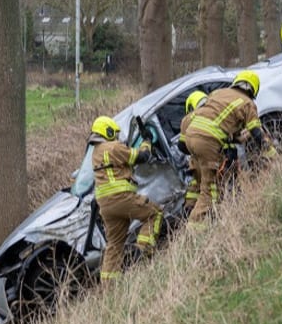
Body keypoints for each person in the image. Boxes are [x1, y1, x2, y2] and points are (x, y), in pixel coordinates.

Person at [181, 71, 274, 224]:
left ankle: (210, 220)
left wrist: (234, 137)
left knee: (203, 185)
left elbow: (218, 121)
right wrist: (271, 154)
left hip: (191, 137)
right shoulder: (247, 103)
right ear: (253, 89)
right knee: (210, 192)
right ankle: (194, 231)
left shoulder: (218, 93)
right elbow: (257, 133)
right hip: (207, 142)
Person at [89, 115, 161, 283]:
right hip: (121, 198)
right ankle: (142, 251)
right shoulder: (113, 147)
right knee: (155, 214)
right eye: (114, 133)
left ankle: (108, 286)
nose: (116, 137)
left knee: (114, 244)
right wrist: (147, 141)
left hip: (105, 206)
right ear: (107, 131)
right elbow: (141, 157)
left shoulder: (95, 153)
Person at [176, 90, 208, 215]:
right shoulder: (212, 113)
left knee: (197, 185)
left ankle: (189, 210)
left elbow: (182, 146)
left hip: (198, 162)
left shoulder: (187, 119)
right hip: (217, 156)